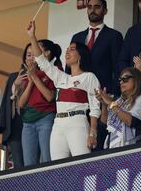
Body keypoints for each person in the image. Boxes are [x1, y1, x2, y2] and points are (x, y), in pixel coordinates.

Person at [27, 20, 100, 161]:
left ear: (81, 55)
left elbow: (95, 108)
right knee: (58, 168)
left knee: (82, 165)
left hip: (77, 122)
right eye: (67, 49)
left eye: (72, 49)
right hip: (58, 124)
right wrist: (32, 36)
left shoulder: (89, 77)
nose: (67, 51)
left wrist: (93, 133)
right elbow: (42, 61)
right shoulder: (60, 77)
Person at [70, 0, 123, 151]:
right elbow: (70, 67)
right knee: (79, 138)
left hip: (102, 95)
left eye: (97, 7)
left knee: (99, 137)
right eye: (90, 7)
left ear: (105, 10)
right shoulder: (77, 37)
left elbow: (117, 67)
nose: (93, 10)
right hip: (79, 96)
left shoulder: (114, 36)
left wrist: (113, 93)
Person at [18, 39, 61, 166]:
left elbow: (49, 97)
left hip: (46, 118)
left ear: (46, 54)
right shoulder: (27, 74)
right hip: (27, 122)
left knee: (47, 161)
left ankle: (49, 186)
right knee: (29, 165)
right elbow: (21, 104)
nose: (32, 56)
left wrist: (35, 77)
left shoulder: (54, 70)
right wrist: (31, 81)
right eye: (29, 54)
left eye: (36, 51)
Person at [95, 68, 141, 148]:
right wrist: (104, 103)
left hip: (139, 149)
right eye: (120, 80)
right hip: (116, 150)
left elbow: (130, 121)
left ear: (136, 79)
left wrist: (110, 103)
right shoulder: (120, 102)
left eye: (125, 79)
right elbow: (105, 124)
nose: (121, 82)